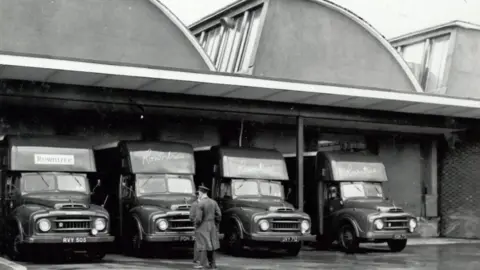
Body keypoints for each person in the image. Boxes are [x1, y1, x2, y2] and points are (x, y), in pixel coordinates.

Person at [194, 185, 221, 269]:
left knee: (203, 245)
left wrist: (196, 225)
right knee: (212, 245)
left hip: (203, 226)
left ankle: (202, 264)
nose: (199, 194)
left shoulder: (200, 203)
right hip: (212, 225)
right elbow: (219, 215)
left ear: (201, 193)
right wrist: (215, 224)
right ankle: (212, 264)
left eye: (199, 193)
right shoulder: (213, 202)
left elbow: (198, 218)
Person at [190, 191, 200, 268]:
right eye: (199, 194)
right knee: (198, 242)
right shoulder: (194, 204)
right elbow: (191, 217)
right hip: (198, 226)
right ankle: (196, 259)